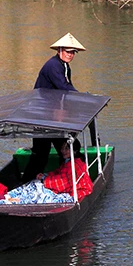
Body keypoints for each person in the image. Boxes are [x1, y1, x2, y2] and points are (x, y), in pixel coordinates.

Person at [23, 33, 85, 181]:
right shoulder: (53, 66)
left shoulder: (64, 66)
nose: (70, 55)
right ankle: (26, 181)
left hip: (54, 115)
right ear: (60, 50)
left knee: (68, 147)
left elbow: (67, 87)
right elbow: (63, 87)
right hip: (43, 117)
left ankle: (69, 177)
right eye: (68, 51)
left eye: (73, 52)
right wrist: (84, 98)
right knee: (41, 153)